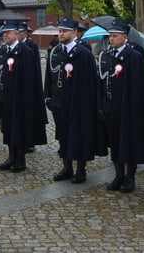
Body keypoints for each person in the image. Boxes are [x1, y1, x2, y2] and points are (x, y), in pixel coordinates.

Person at [98, 20, 144, 193]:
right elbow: (102, 81)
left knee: (128, 141)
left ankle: (130, 176)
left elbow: (140, 85)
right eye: (110, 36)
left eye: (115, 36)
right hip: (110, 105)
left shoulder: (134, 56)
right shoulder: (107, 55)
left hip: (128, 107)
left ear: (125, 37)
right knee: (114, 141)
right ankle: (118, 174)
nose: (111, 39)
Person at [47, 19, 102, 184]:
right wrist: (48, 96)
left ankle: (80, 169)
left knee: (78, 135)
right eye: (60, 31)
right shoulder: (55, 52)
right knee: (63, 135)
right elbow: (49, 76)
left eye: (64, 31)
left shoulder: (84, 53)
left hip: (79, 102)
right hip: (60, 101)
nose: (61, 34)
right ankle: (67, 167)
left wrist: (91, 104)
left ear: (74, 33)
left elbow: (92, 81)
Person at [0, 23, 47, 172]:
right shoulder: (6, 50)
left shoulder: (25, 51)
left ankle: (20, 159)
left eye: (9, 33)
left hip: (20, 98)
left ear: (17, 35)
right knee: (8, 128)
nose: (5, 35)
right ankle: (11, 156)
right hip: (7, 97)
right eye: (4, 33)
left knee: (19, 129)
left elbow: (30, 78)